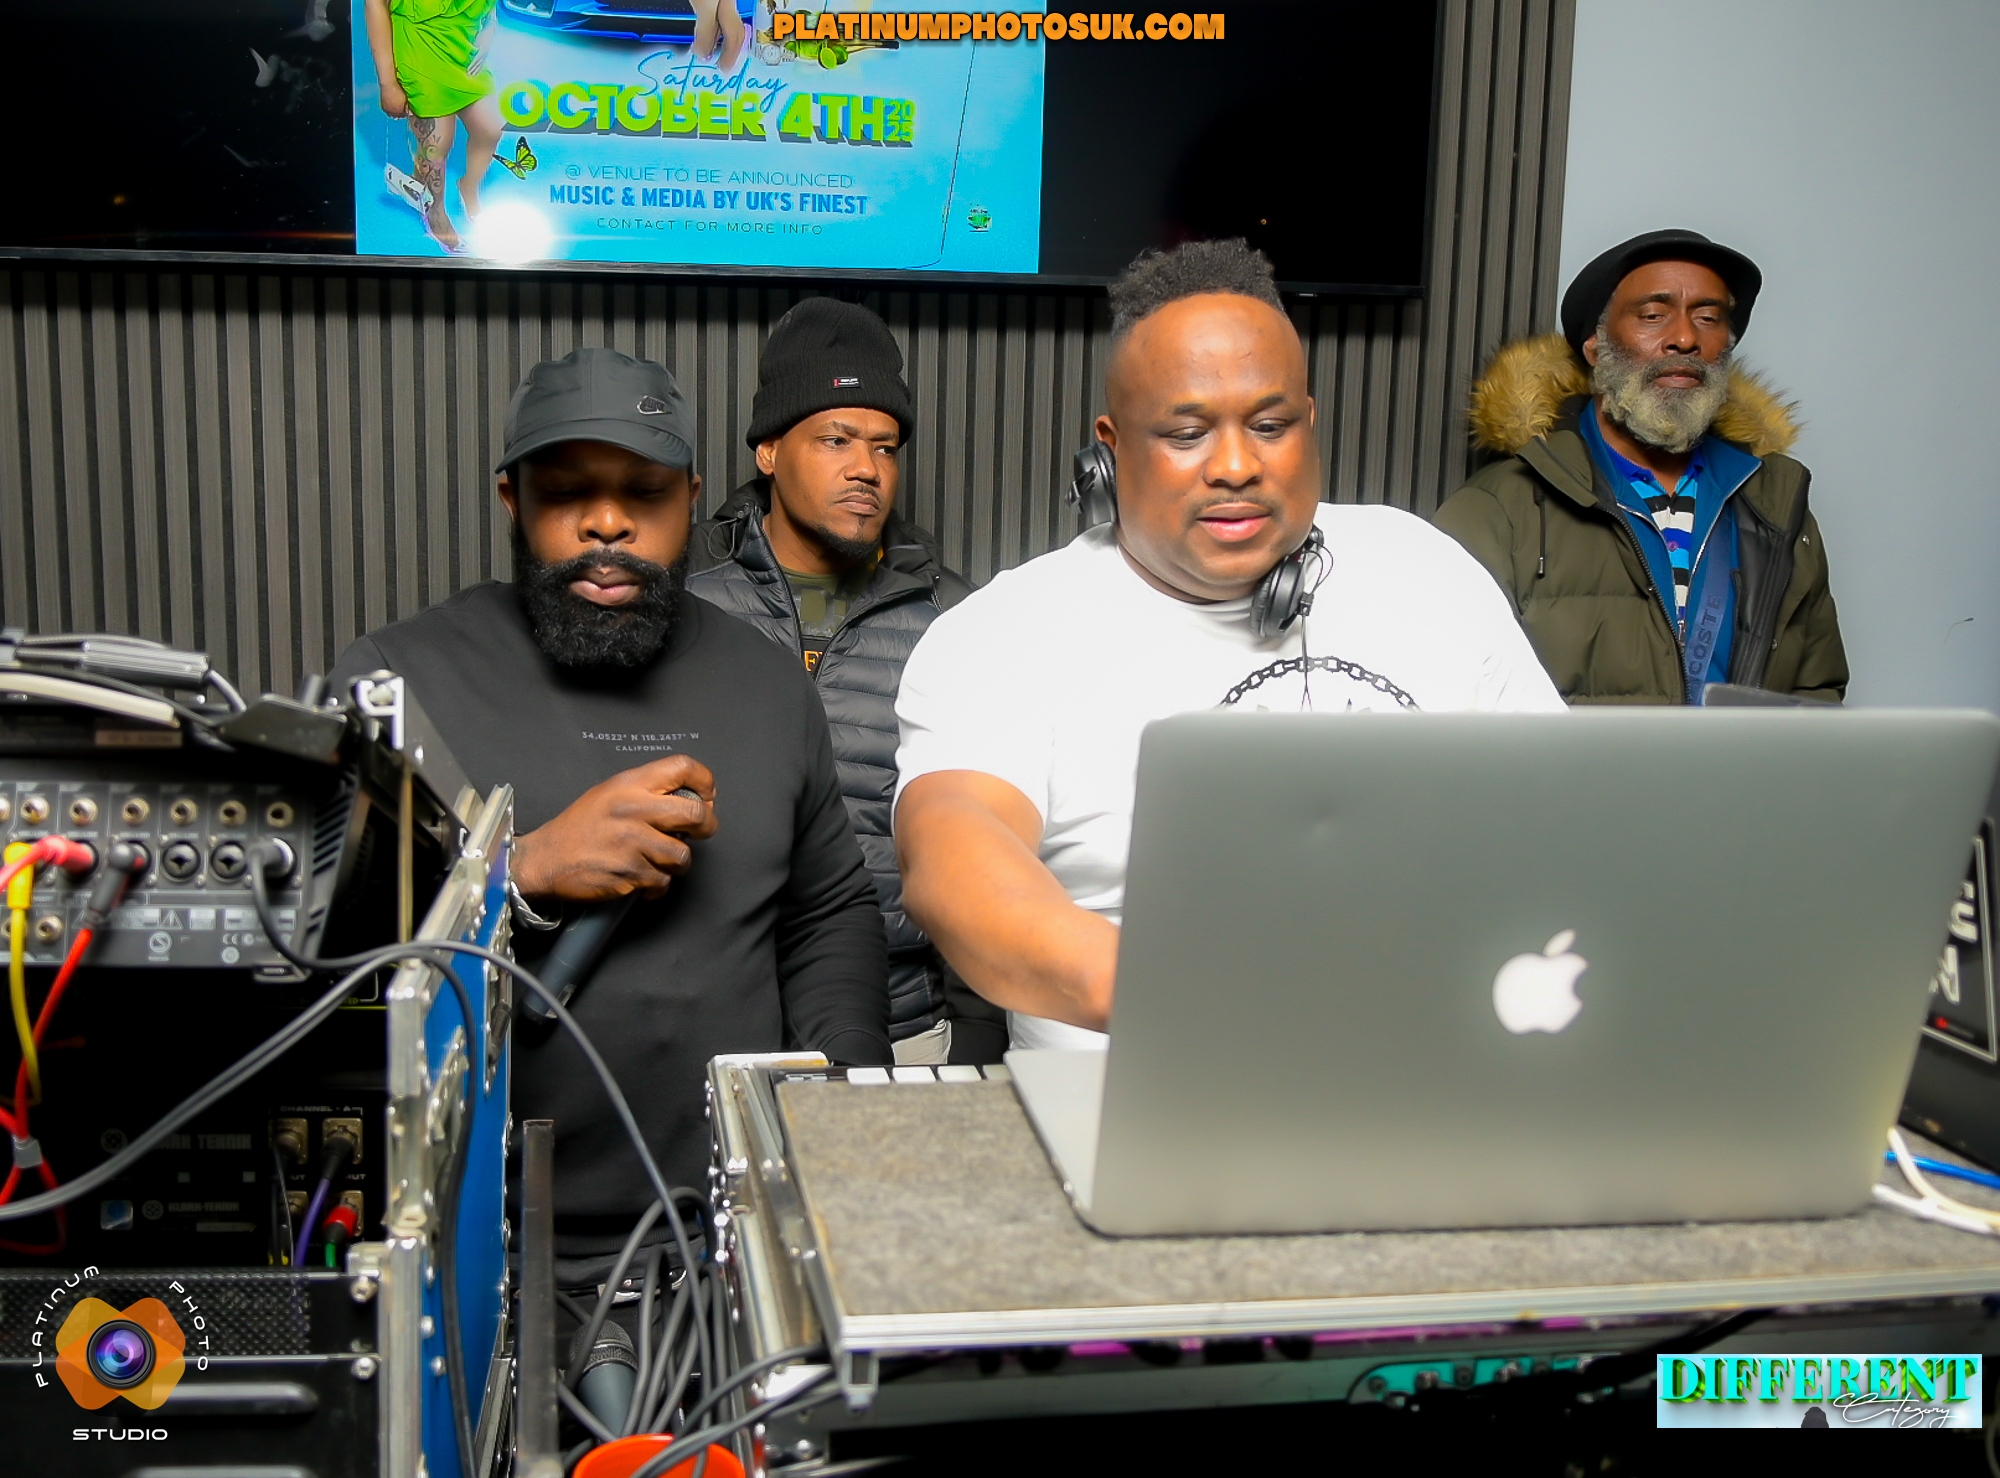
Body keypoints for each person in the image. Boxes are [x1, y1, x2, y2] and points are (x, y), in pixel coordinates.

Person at [892, 240, 1565, 1053]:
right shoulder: (1006, 634)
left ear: (1310, 423)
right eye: (1187, 433)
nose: (1238, 465)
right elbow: (954, 857)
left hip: (1439, 1083)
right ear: (1110, 447)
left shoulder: (1425, 568)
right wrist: (1203, 994)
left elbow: (1564, 818)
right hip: (1143, 1108)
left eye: (1271, 426)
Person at [328, 347, 888, 1259]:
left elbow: (827, 913)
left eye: (645, 491)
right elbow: (319, 952)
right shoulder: (400, 680)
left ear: (691, 498)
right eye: (566, 491)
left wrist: (847, 1115)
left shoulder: (766, 684)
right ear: (512, 500)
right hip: (477, 1251)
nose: (606, 522)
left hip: (724, 1240)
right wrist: (521, 872)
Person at [687, 299, 1005, 1064]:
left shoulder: (953, 620)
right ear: (769, 451)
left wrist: (974, 1036)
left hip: (905, 1027)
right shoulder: (685, 601)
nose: (867, 469)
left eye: (885, 447)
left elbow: (987, 843)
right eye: (836, 439)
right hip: (718, 1028)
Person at [1432, 228, 1848, 705]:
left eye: (1708, 318)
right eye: (1653, 315)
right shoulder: (1498, 510)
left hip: (1740, 760)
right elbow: (1446, 691)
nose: (1686, 338)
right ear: (1595, 348)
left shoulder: (1776, 504)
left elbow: (1816, 695)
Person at [364, 0, 503, 253]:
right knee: (437, 144)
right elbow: (375, 3)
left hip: (464, 41)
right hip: (419, 43)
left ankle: (467, 186)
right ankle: (436, 212)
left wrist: (490, 28)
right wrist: (388, 84)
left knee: (490, 129)